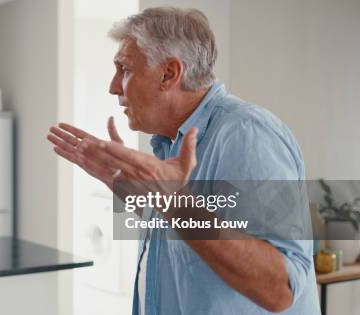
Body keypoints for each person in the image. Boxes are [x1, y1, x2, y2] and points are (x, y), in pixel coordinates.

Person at [47, 7, 320, 315]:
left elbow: (281, 290)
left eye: (124, 69)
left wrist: (175, 201)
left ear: (169, 74)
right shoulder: (170, 143)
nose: (113, 87)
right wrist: (126, 184)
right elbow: (190, 224)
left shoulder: (247, 135)